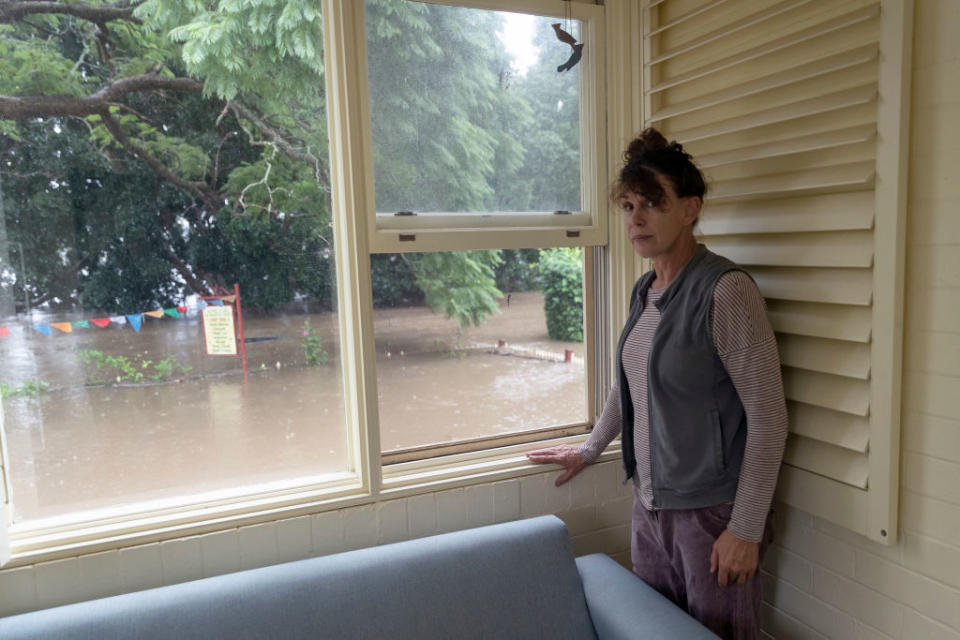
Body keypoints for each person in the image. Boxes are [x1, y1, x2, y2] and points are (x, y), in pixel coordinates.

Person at [526, 128, 788, 640]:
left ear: (689, 209)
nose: (635, 219)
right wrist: (589, 448)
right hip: (649, 509)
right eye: (627, 206)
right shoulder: (645, 290)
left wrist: (745, 529)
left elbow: (769, 418)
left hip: (712, 516)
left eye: (651, 203)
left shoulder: (726, 290)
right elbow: (630, 387)